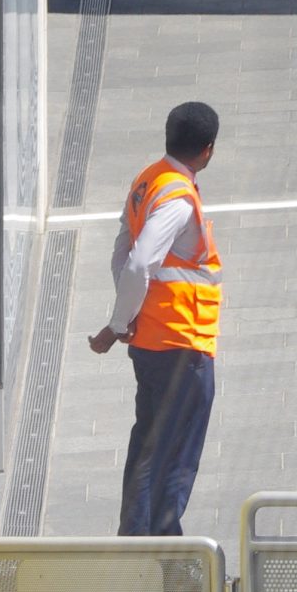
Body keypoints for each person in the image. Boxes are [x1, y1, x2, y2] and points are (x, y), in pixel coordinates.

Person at [92, 102, 223, 536]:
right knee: (176, 458)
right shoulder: (179, 199)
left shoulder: (147, 181)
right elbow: (139, 262)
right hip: (181, 343)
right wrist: (116, 324)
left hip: (152, 343)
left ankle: (138, 544)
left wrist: (126, 319)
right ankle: (164, 554)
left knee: (149, 448)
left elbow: (120, 251)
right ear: (207, 151)